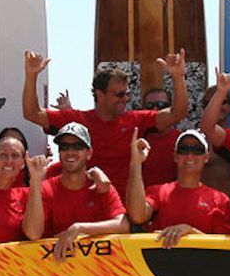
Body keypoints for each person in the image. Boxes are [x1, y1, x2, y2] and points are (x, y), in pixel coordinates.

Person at [22, 50, 188, 197]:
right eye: (119, 94)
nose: (125, 99)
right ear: (100, 95)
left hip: (123, 210)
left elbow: (177, 113)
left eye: (126, 94)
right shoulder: (77, 120)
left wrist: (178, 77)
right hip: (83, 206)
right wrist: (31, 76)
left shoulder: (137, 120)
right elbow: (32, 114)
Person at [22, 122, 129, 262]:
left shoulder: (101, 186)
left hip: (97, 269)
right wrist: (35, 182)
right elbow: (33, 233)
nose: (70, 152)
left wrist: (79, 228)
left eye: (77, 146)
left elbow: (123, 225)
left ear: (89, 153)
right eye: (64, 147)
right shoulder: (45, 188)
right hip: (55, 268)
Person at [126, 128, 230, 247]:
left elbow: (226, 248)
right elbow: (137, 216)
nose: (189, 155)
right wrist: (136, 163)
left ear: (206, 157)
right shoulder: (158, 192)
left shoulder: (221, 201)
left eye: (197, 150)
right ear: (175, 156)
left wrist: (191, 232)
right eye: (184, 149)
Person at [139, 88, 180, 188]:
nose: (155, 110)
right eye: (150, 106)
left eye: (162, 105)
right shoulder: (136, 142)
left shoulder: (181, 141)